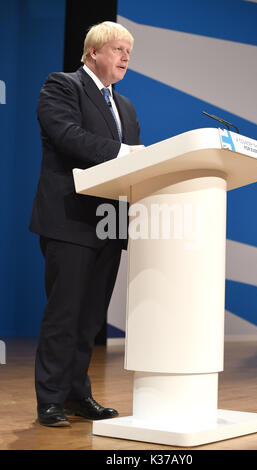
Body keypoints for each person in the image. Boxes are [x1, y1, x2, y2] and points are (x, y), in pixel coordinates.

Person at [29, 21, 143, 427]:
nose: (126, 56)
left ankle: (79, 395)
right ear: (93, 52)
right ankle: (51, 401)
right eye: (118, 49)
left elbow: (133, 161)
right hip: (70, 220)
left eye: (129, 50)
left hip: (109, 222)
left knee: (90, 319)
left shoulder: (125, 106)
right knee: (65, 314)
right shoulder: (62, 86)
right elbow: (66, 135)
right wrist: (122, 152)